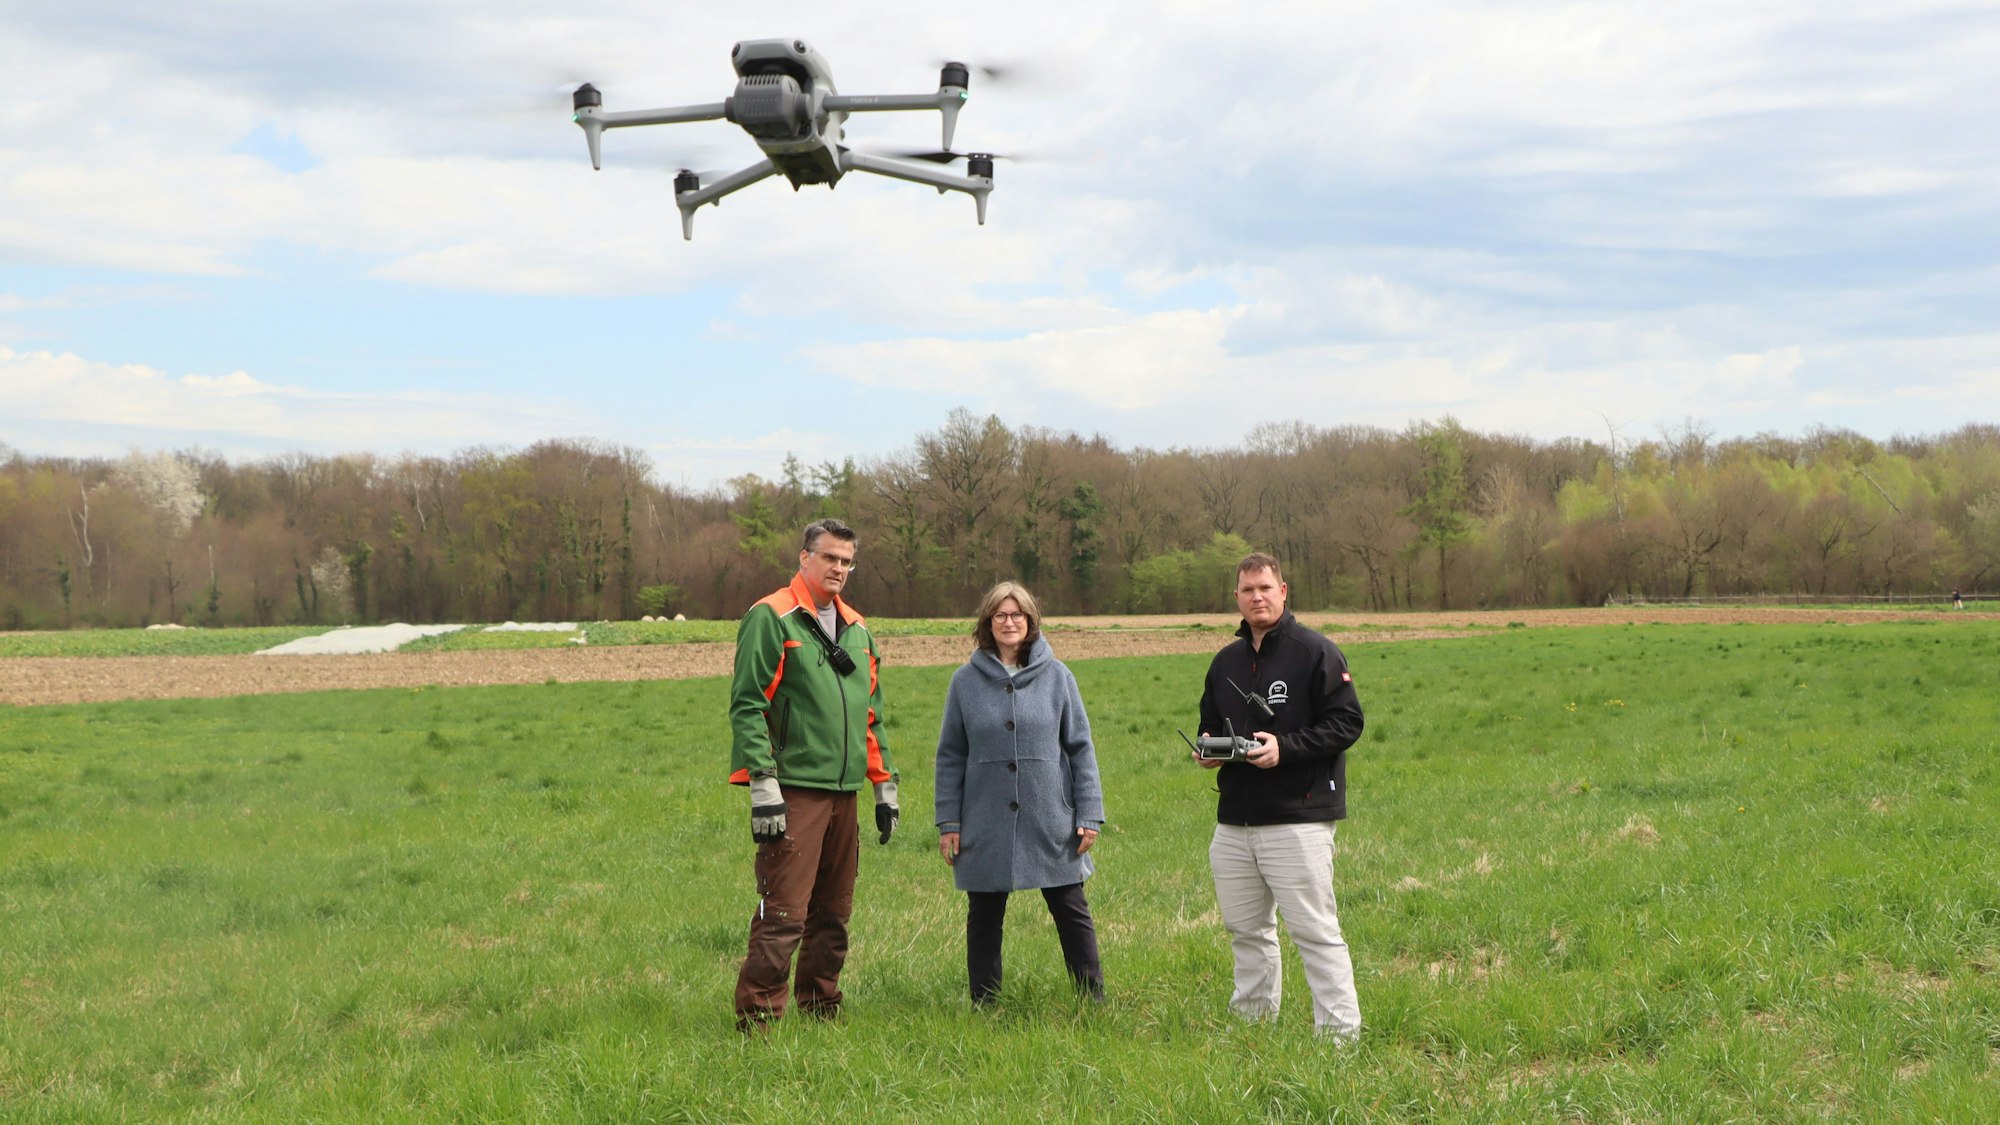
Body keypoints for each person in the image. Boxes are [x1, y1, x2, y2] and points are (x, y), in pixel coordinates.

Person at [727, 517, 897, 1029]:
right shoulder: (773, 617)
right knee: (784, 913)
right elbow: (748, 706)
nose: (839, 568)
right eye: (830, 558)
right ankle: (758, 1020)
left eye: (847, 561)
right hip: (795, 791)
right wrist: (763, 784)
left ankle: (822, 1007)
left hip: (845, 794)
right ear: (805, 558)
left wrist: (883, 786)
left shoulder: (859, 629)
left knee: (834, 912)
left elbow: (871, 715)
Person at [1195, 552, 1365, 1040]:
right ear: (1237, 598)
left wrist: (1285, 749)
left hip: (1299, 817)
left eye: (1265, 588)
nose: (1257, 597)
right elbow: (1211, 721)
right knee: (1246, 933)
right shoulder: (1225, 661)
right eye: (1248, 590)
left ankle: (1339, 1038)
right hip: (1235, 822)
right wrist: (1209, 749)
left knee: (1315, 933)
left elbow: (1348, 722)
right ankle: (1252, 1026)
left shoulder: (1315, 652)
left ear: (1283, 591)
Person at [935, 581, 1106, 1005]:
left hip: (1050, 815)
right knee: (985, 915)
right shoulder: (964, 682)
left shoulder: (1058, 676)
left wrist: (1089, 813)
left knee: (1070, 908)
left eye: (1017, 615)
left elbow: (1080, 748)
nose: (1009, 622)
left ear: (1030, 622)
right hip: (984, 816)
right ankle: (985, 1003)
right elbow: (950, 755)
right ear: (987, 624)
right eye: (1000, 616)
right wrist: (949, 822)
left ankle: (1092, 1000)